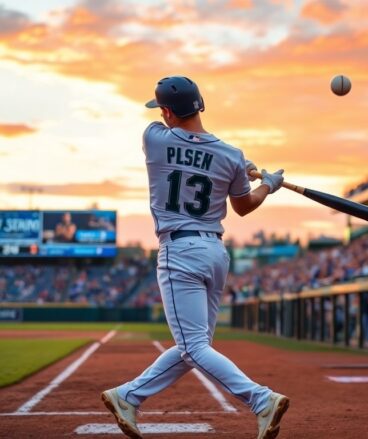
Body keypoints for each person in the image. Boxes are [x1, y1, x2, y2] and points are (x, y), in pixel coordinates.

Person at [101, 76, 289, 439]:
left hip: (179, 250)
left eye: (164, 110)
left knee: (194, 346)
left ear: (168, 111)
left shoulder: (153, 138)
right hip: (215, 252)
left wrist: (236, 164)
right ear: (201, 103)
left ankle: (261, 400)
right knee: (194, 345)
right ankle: (127, 396)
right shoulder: (231, 155)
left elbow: (177, 137)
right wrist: (267, 183)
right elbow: (244, 207)